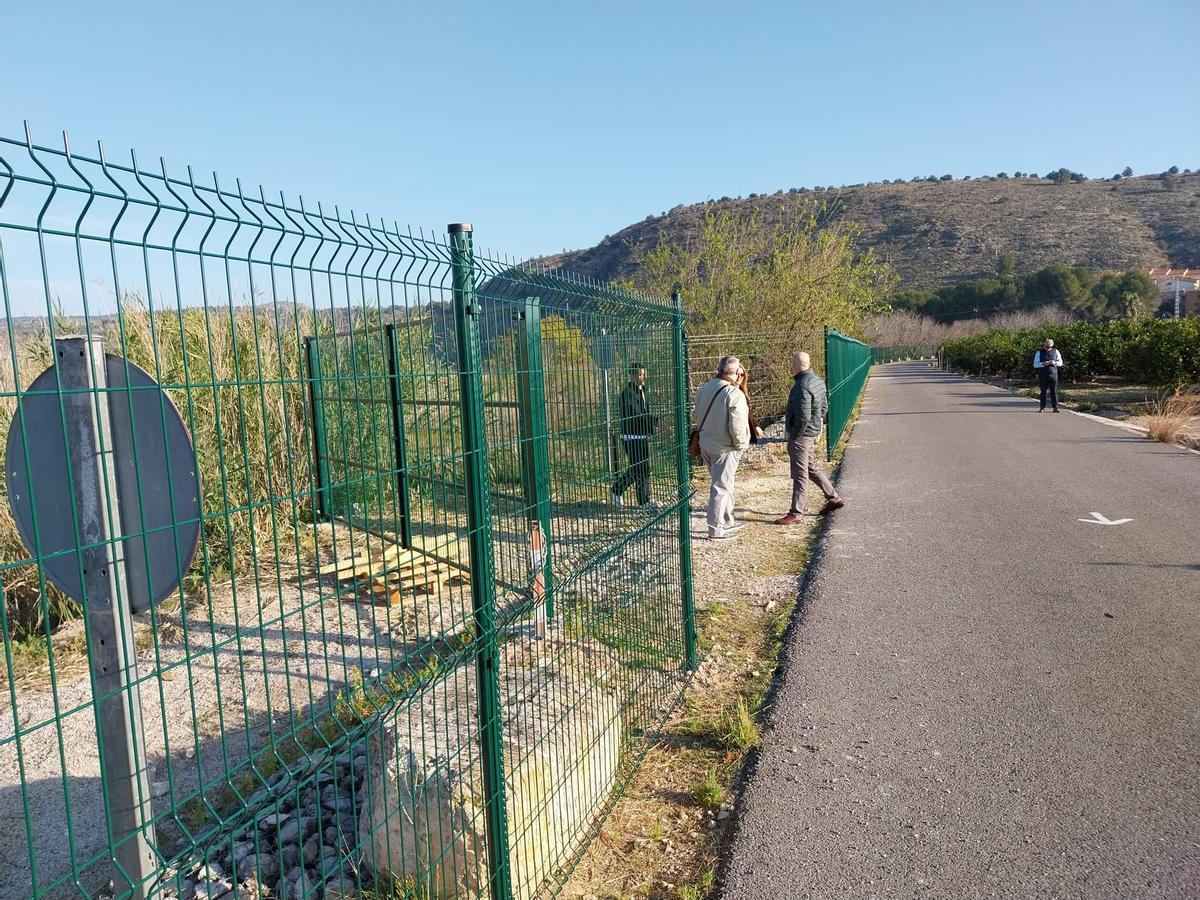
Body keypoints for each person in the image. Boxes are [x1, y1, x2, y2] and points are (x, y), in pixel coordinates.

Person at [775, 351, 843, 525]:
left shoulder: (801, 386)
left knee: (800, 474)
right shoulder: (818, 381)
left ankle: (796, 512)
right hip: (811, 433)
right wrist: (815, 426)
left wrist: (795, 435)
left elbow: (802, 417)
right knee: (810, 467)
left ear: (796, 365)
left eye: (792, 363)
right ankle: (834, 498)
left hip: (802, 436)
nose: (790, 367)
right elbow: (824, 408)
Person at [694, 355, 751, 540]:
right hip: (725, 448)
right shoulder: (734, 394)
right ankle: (715, 529)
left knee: (723, 485)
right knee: (721, 487)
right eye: (740, 372)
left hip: (706, 444)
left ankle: (727, 520)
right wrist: (741, 445)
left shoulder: (704, 389)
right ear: (735, 373)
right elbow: (737, 425)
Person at [611, 364, 659, 508]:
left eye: (644, 374)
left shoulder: (641, 390)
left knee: (639, 468)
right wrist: (655, 421)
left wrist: (650, 428)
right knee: (639, 468)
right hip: (631, 436)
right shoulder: (628, 394)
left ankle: (620, 491)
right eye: (640, 375)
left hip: (641, 435)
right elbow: (637, 415)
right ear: (632, 376)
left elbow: (643, 412)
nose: (643, 377)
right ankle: (642, 500)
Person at [735, 368, 766, 443]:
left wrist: (755, 426)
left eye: (742, 374)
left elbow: (747, 413)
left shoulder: (742, 391)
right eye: (737, 374)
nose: (740, 377)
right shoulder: (731, 392)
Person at [1034, 338, 1063, 412]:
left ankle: (1055, 407)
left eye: (1050, 347)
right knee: (1043, 391)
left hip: (1053, 373)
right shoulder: (1039, 352)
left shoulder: (1056, 351)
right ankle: (1042, 407)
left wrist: (1054, 363)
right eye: (1047, 347)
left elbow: (1060, 363)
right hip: (1043, 374)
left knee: (1054, 391)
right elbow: (1035, 364)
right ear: (1044, 346)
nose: (1048, 349)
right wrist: (1043, 363)